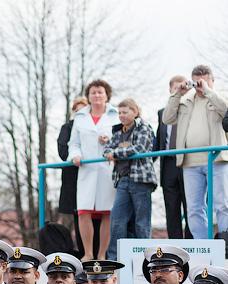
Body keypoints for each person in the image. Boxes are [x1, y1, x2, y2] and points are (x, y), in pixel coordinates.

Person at [162, 65, 228, 240]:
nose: (199, 85)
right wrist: (177, 93)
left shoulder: (219, 98)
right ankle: (204, 245)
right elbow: (167, 118)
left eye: (205, 81)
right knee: (194, 208)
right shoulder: (185, 100)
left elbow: (225, 111)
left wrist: (207, 91)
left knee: (222, 204)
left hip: (216, 159)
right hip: (190, 162)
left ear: (212, 81)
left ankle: (226, 240)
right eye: (197, 81)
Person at [68, 79, 120, 260]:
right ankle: (88, 254)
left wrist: (110, 142)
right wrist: (75, 155)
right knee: (84, 211)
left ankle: (102, 254)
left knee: (107, 212)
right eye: (93, 92)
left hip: (108, 169)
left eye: (100, 92)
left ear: (107, 95)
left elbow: (122, 140)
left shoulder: (115, 115)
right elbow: (73, 143)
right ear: (88, 96)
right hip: (86, 169)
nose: (97, 95)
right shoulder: (80, 117)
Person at [103, 99, 156, 259]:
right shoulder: (118, 132)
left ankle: (145, 259)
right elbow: (106, 150)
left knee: (142, 222)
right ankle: (113, 259)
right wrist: (113, 152)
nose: (121, 115)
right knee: (117, 221)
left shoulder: (144, 128)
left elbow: (140, 148)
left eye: (125, 112)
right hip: (122, 180)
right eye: (119, 112)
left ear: (135, 112)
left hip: (140, 180)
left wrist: (116, 153)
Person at [156, 76, 192, 239]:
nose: (179, 91)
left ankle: (192, 243)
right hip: (168, 164)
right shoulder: (162, 113)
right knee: (171, 208)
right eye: (176, 88)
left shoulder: (192, 110)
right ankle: (176, 246)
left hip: (188, 162)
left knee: (191, 206)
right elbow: (159, 140)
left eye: (182, 88)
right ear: (170, 90)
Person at [58, 97, 90, 255]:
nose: (79, 114)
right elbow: (63, 151)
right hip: (74, 179)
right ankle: (84, 254)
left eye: (82, 110)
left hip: (93, 177)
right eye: (76, 111)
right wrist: (78, 156)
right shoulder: (67, 127)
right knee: (80, 217)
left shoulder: (95, 127)